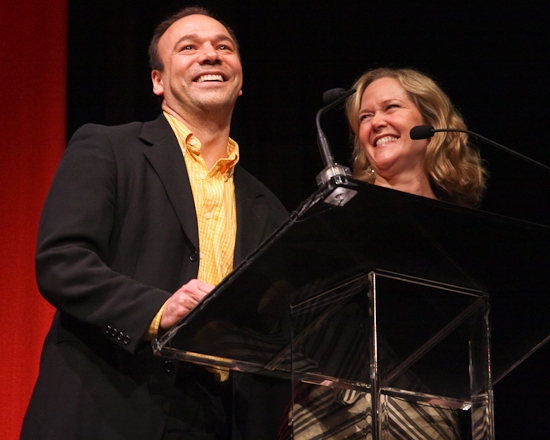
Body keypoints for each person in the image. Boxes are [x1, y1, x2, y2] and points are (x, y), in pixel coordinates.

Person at [21, 7, 288, 440]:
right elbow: (62, 261)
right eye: (189, 47)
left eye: (224, 47)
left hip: (218, 420)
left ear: (240, 81)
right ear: (158, 80)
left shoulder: (269, 206)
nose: (210, 55)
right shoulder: (108, 148)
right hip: (111, 406)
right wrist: (159, 310)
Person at [280, 67, 487, 439]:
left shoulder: (461, 232)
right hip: (333, 417)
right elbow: (284, 306)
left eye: (391, 107)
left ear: (431, 122)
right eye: (365, 116)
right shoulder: (333, 216)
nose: (377, 123)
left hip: (427, 418)